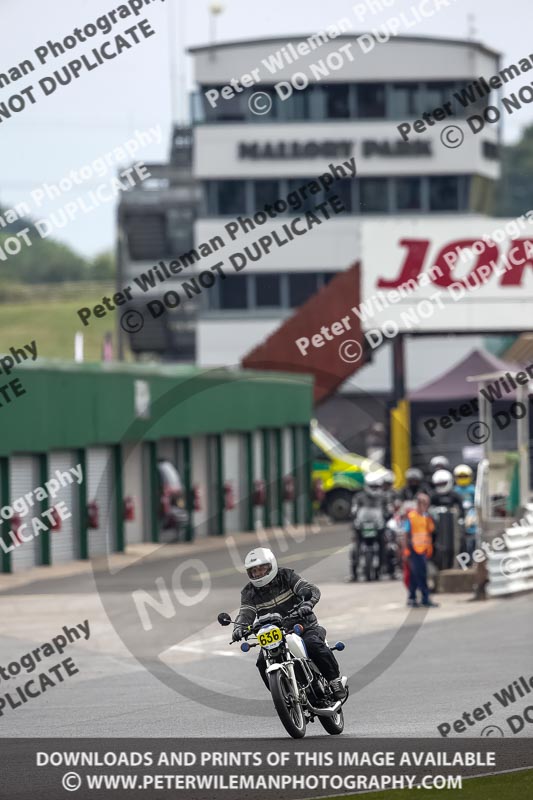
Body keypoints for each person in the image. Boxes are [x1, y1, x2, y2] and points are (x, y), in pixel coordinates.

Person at [233, 547, 347, 700]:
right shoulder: (248, 592)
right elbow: (245, 613)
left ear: (271, 565)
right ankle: (284, 696)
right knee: (261, 662)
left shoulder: (286, 576)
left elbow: (309, 589)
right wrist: (239, 627)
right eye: (254, 571)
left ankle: (334, 681)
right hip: (274, 633)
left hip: (302, 626)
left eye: (262, 568)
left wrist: (307, 604)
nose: (258, 573)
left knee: (313, 644)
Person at [403, 493, 438, 608]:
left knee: (416, 575)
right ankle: (424, 598)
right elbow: (406, 534)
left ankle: (413, 597)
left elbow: (431, 531)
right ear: (419, 504)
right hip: (414, 550)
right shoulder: (412, 517)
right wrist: (405, 550)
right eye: (425, 504)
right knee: (420, 575)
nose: (427, 506)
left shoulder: (426, 517)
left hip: (424, 550)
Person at [349, 472, 385, 580]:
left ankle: (383, 567)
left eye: (376, 486)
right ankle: (354, 573)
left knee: (385, 543)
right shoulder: (359, 496)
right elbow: (354, 507)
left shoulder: (382, 497)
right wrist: (353, 512)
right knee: (355, 547)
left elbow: (388, 507)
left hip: (377, 525)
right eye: (372, 486)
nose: (375, 489)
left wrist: (389, 512)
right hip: (362, 525)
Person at [453, 464, 477, 556]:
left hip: (471, 515)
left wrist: (473, 515)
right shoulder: (455, 490)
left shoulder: (473, 489)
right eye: (460, 476)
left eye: (464, 476)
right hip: (459, 514)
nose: (462, 478)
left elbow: (476, 504)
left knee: (472, 537)